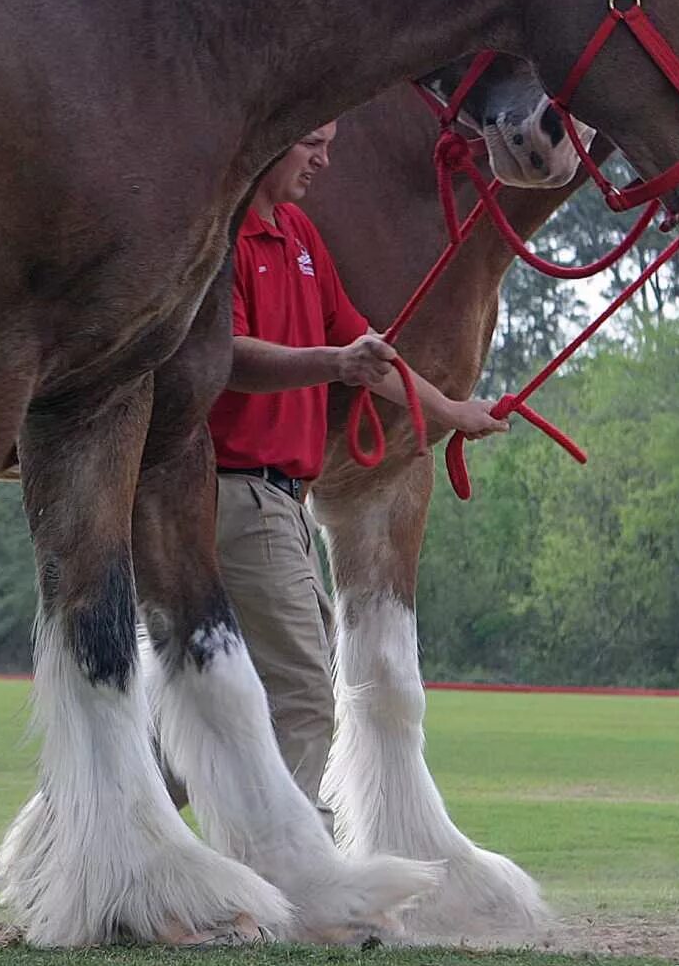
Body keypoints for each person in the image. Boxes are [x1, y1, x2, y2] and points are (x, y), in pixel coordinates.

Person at [209, 122, 506, 833]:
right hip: (239, 492)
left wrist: (453, 411)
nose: (324, 158)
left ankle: (124, 821)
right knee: (307, 695)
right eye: (310, 141)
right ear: (270, 141)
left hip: (276, 501)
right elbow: (229, 356)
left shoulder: (305, 240)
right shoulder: (224, 241)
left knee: (211, 692)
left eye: (332, 141)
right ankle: (286, 856)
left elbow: (374, 354)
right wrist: (330, 364)